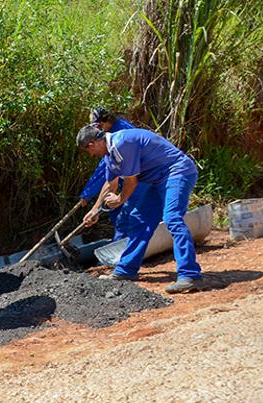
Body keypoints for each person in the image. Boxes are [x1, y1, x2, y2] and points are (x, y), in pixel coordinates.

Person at [77, 125, 205, 293]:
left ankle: (190, 275)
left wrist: (119, 199)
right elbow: (110, 184)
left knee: (172, 218)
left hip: (177, 171)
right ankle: (126, 270)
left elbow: (131, 182)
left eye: (89, 151)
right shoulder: (110, 155)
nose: (92, 155)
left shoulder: (122, 143)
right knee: (139, 219)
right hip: (158, 179)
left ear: (92, 145)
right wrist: (95, 211)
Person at [77, 108, 147, 242]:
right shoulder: (107, 141)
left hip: (140, 178)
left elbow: (105, 169)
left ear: (107, 121)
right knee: (114, 209)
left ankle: (121, 253)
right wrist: (94, 207)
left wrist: (88, 193)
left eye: (99, 126)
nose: (98, 131)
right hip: (127, 179)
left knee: (125, 217)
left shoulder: (120, 135)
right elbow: (110, 176)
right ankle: (124, 242)